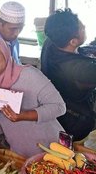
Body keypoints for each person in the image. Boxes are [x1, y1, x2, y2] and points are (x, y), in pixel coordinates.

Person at [0, 35, 65, 158]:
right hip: (21, 155)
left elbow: (59, 107)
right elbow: (0, 131)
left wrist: (23, 115)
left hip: (53, 150)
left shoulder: (28, 74)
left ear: (5, 52)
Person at [41, 8, 96, 140]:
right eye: (82, 28)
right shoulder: (79, 69)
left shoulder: (51, 43)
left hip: (60, 114)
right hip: (77, 123)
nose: (85, 27)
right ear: (73, 41)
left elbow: (82, 51)